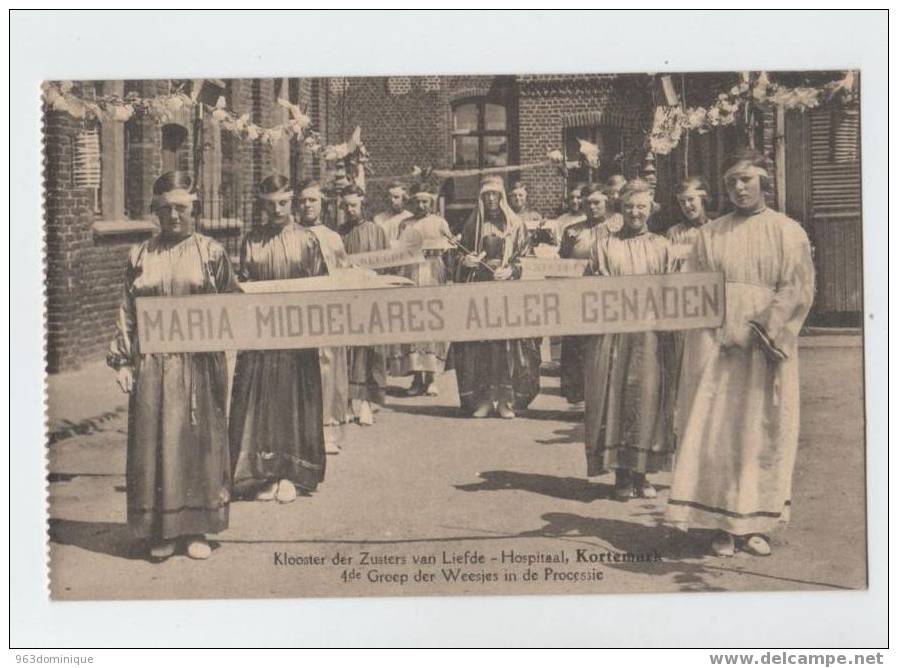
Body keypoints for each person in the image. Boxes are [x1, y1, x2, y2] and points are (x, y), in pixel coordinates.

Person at [666, 149, 815, 558]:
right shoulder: (710, 234)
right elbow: (695, 289)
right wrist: (715, 332)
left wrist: (760, 330)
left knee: (761, 430)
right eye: (732, 180)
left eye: (746, 179)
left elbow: (798, 288)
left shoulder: (788, 231)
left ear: (763, 181)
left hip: (763, 348)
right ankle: (722, 525)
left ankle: (756, 524)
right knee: (718, 433)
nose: (738, 187)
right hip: (715, 346)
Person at [107, 171, 236, 560]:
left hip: (200, 364)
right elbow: (127, 310)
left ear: (193, 208)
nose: (174, 216)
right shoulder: (140, 255)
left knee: (199, 442)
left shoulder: (211, 253)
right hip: (152, 366)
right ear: (155, 211)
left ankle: (197, 528)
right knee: (154, 442)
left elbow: (234, 305)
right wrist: (122, 361)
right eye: (166, 209)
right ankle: (160, 530)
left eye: (181, 208)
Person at [228, 175, 328, 504]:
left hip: (296, 336)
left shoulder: (307, 240)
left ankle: (293, 474)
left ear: (292, 202)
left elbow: (321, 285)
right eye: (270, 204)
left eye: (283, 202)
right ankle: (263, 474)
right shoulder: (251, 241)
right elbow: (241, 283)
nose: (277, 209)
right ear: (262, 205)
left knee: (294, 401)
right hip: (260, 335)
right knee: (261, 401)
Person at [583, 178, 676, 501]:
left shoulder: (663, 246)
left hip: (651, 335)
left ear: (651, 209)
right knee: (615, 396)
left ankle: (643, 473)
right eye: (629, 206)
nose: (635, 212)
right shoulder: (606, 245)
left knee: (648, 396)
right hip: (616, 334)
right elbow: (592, 286)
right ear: (619, 209)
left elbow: (674, 290)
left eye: (641, 207)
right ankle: (621, 475)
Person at [454, 176, 541, 418]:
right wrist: (465, 261)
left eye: (495, 194)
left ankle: (505, 400)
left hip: (507, 291)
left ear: (502, 197)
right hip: (480, 290)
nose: (491, 199)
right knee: (481, 346)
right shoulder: (472, 225)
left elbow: (528, 257)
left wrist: (513, 270)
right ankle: (483, 399)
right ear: (481, 198)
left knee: (506, 347)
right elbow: (456, 257)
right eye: (486, 195)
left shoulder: (516, 225)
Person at [295, 180, 352, 449]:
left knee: (327, 368)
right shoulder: (290, 234)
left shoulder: (332, 237)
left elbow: (343, 273)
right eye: (303, 200)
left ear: (323, 205)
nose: (307, 205)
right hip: (297, 313)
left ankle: (327, 428)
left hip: (326, 310)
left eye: (312, 200)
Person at [558, 184, 621, 405]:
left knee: (605, 343)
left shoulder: (617, 227)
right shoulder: (572, 230)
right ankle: (576, 395)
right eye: (588, 203)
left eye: (597, 203)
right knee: (576, 343)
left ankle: (606, 396)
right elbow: (562, 261)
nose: (592, 207)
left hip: (607, 294)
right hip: (578, 293)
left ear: (607, 203)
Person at [390, 184, 452, 397]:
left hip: (433, 273)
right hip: (412, 274)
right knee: (414, 323)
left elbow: (449, 250)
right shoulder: (405, 224)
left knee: (432, 323)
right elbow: (399, 251)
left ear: (431, 203)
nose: (421, 205)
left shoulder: (439, 223)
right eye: (417, 201)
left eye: (425, 201)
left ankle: (432, 377)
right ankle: (417, 378)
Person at [340, 184, 389, 425]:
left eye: (353, 205)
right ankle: (348, 402)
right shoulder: (339, 233)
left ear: (363, 205)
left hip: (369, 297)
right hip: (347, 298)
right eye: (346, 205)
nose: (350, 210)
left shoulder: (376, 232)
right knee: (348, 350)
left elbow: (386, 264)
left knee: (369, 350)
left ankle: (368, 402)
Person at [667, 176, 712, 268]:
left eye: (691, 199)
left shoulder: (715, 230)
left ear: (702, 199)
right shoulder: (675, 233)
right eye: (682, 201)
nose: (686, 205)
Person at [373, 181, 413, 247]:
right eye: (389, 197)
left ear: (404, 199)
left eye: (396, 197)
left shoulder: (410, 217)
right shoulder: (379, 219)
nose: (392, 200)